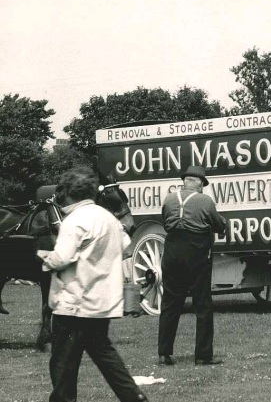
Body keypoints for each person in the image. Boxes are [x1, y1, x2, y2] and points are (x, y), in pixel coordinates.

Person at [36, 167, 148, 402]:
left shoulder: (74, 220)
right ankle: (134, 397)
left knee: (62, 365)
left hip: (74, 303)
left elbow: (62, 257)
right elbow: (125, 243)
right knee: (106, 358)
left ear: (67, 193)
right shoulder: (108, 218)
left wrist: (46, 257)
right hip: (102, 302)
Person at [157, 165, 226, 366]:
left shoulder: (169, 199)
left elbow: (165, 223)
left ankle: (164, 353)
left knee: (170, 303)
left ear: (185, 181)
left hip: (171, 252)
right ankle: (203, 355)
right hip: (196, 253)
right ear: (199, 183)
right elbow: (218, 225)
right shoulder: (205, 201)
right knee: (202, 304)